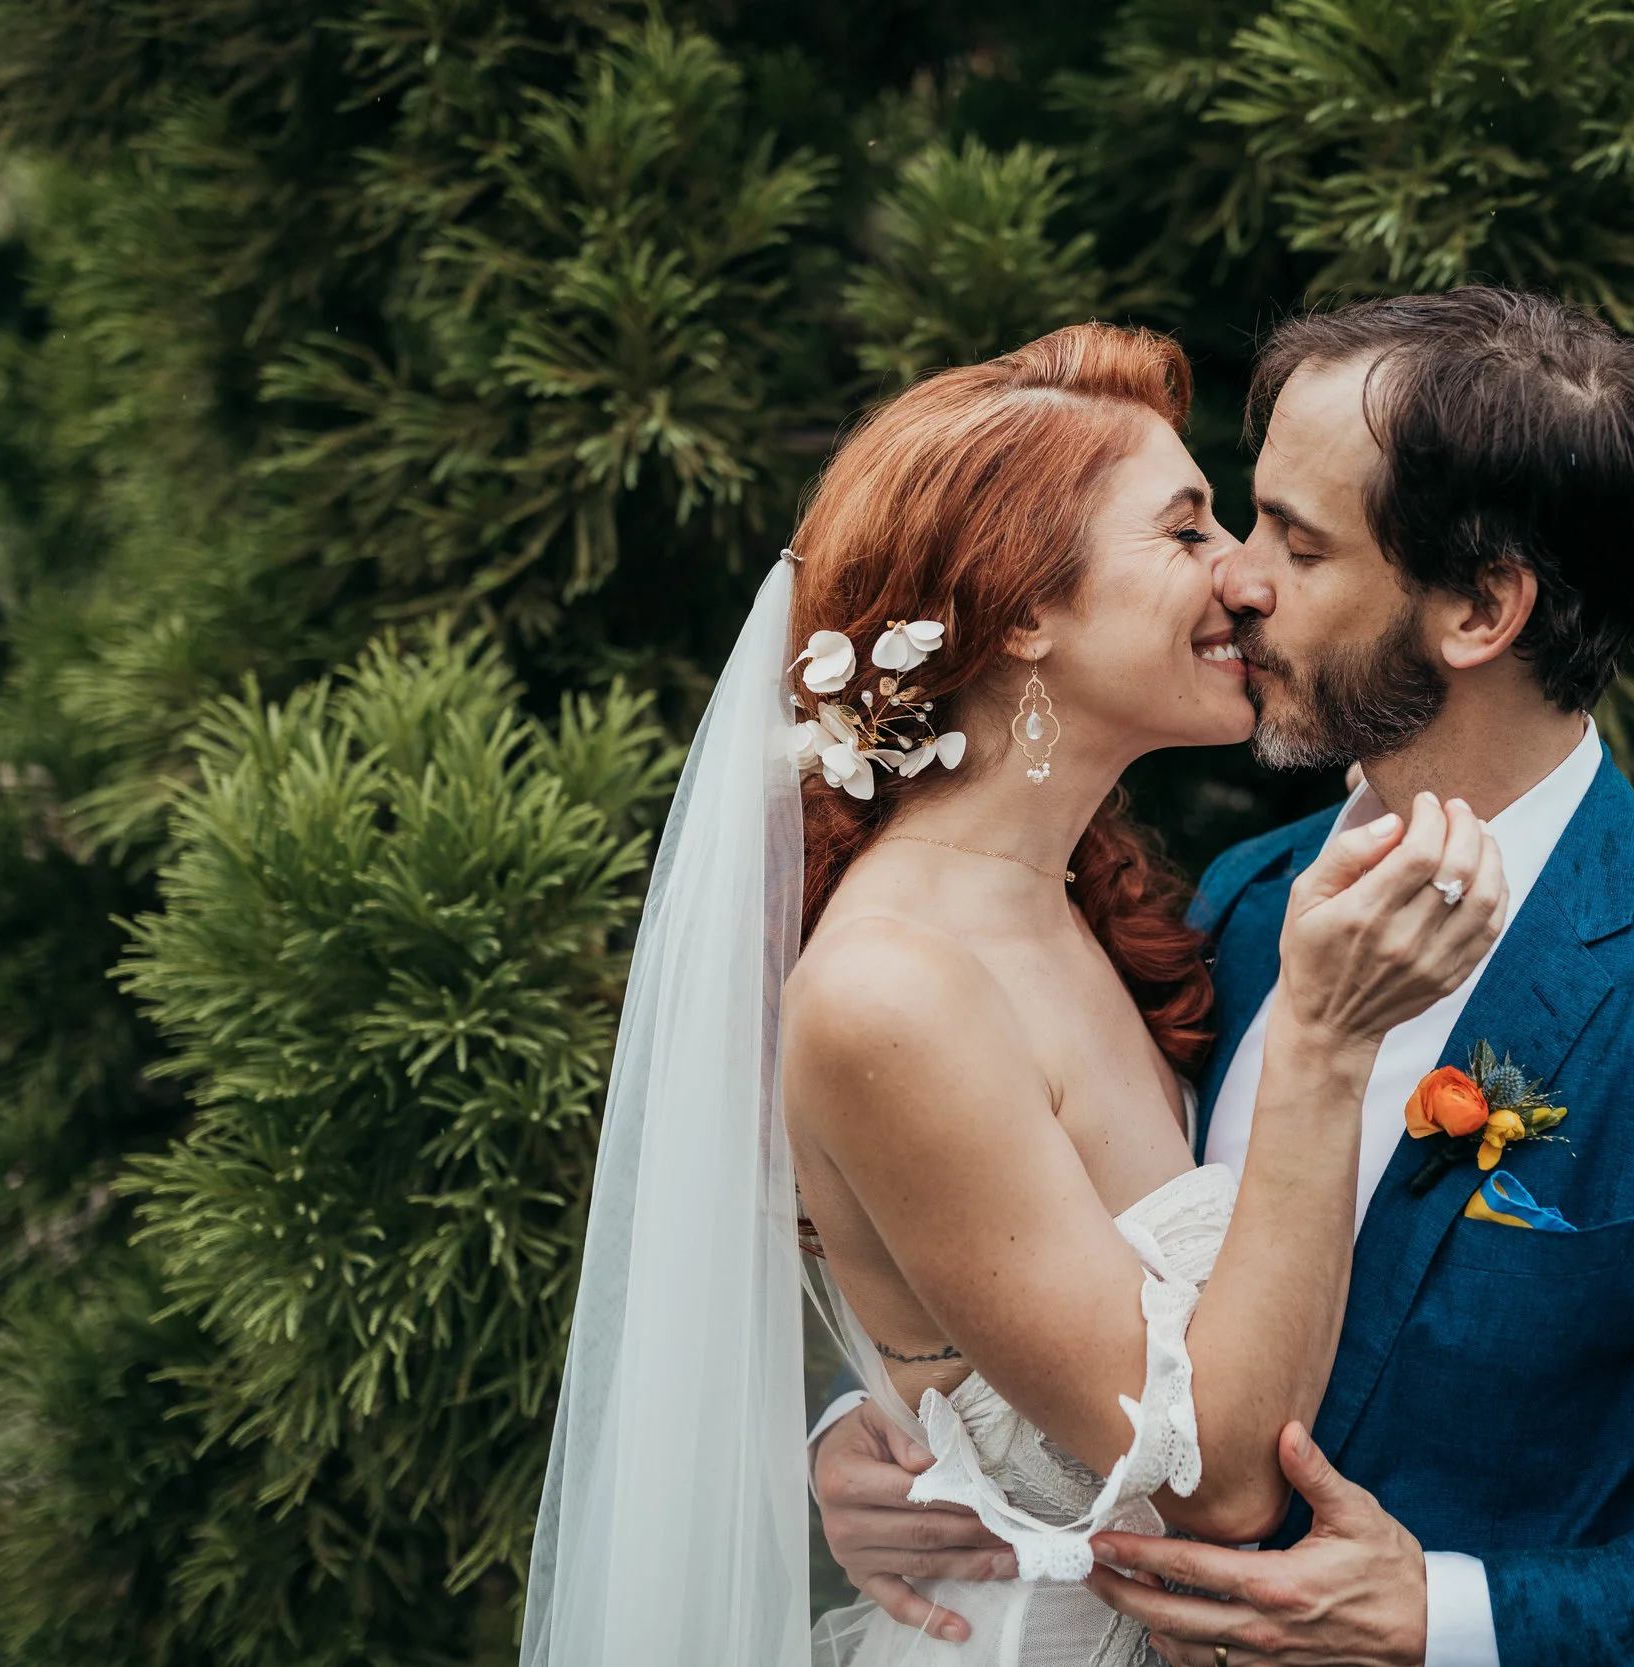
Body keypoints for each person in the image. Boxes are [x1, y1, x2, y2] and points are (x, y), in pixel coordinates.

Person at [812, 288, 1634, 1667]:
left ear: (1482, 609)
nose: (1239, 579)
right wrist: (908, 1430)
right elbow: (1064, 1256)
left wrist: (1453, 1616)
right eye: (1241, 521)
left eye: (1299, 543)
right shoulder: (1245, 905)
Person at [519, 322, 1507, 1667]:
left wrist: (886, 1422)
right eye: (1187, 530)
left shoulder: (1102, 909)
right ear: (1024, 611)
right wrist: (1326, 1046)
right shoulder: (892, 989)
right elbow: (1214, 1482)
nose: (1241, 574)